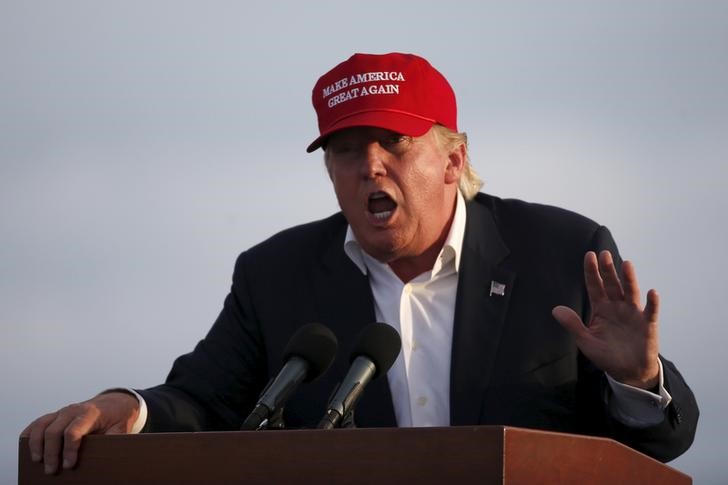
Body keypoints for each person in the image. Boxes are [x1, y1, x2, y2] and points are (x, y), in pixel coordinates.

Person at [22, 52, 698, 475]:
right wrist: (124, 406)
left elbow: (664, 446)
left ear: (452, 161)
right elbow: (205, 400)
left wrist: (637, 380)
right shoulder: (277, 274)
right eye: (346, 149)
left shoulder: (561, 254)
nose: (369, 165)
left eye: (392, 142)